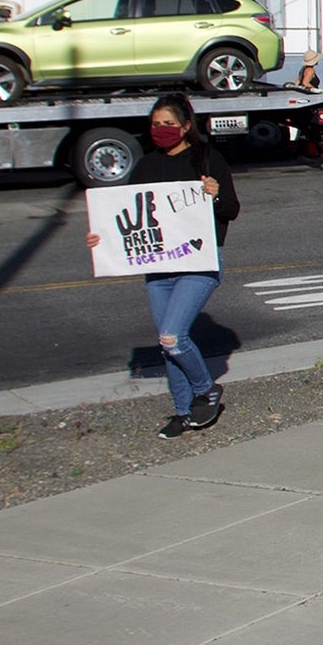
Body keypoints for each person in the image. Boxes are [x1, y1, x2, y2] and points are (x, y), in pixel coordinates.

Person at [84, 95, 240, 439]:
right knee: (167, 344)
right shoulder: (145, 166)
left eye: (169, 124)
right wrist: (103, 238)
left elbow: (231, 209)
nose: (161, 130)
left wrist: (213, 195)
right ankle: (183, 412)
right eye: (155, 124)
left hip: (198, 263)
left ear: (186, 126)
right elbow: (127, 216)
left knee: (173, 336)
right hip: (159, 268)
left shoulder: (207, 159)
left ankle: (205, 390)